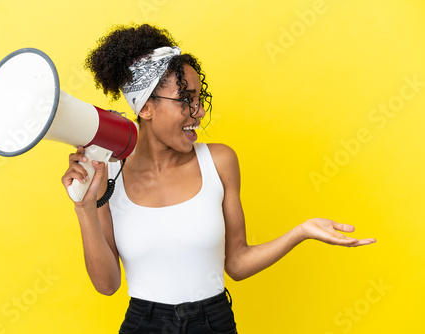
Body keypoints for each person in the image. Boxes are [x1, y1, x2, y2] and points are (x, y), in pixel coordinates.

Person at [61, 24, 376, 334]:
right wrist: (85, 207)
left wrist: (301, 231)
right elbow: (107, 285)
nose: (197, 111)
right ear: (145, 107)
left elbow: (237, 263)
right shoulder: (108, 173)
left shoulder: (220, 161)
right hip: (144, 323)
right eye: (185, 99)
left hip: (213, 322)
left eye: (198, 99)